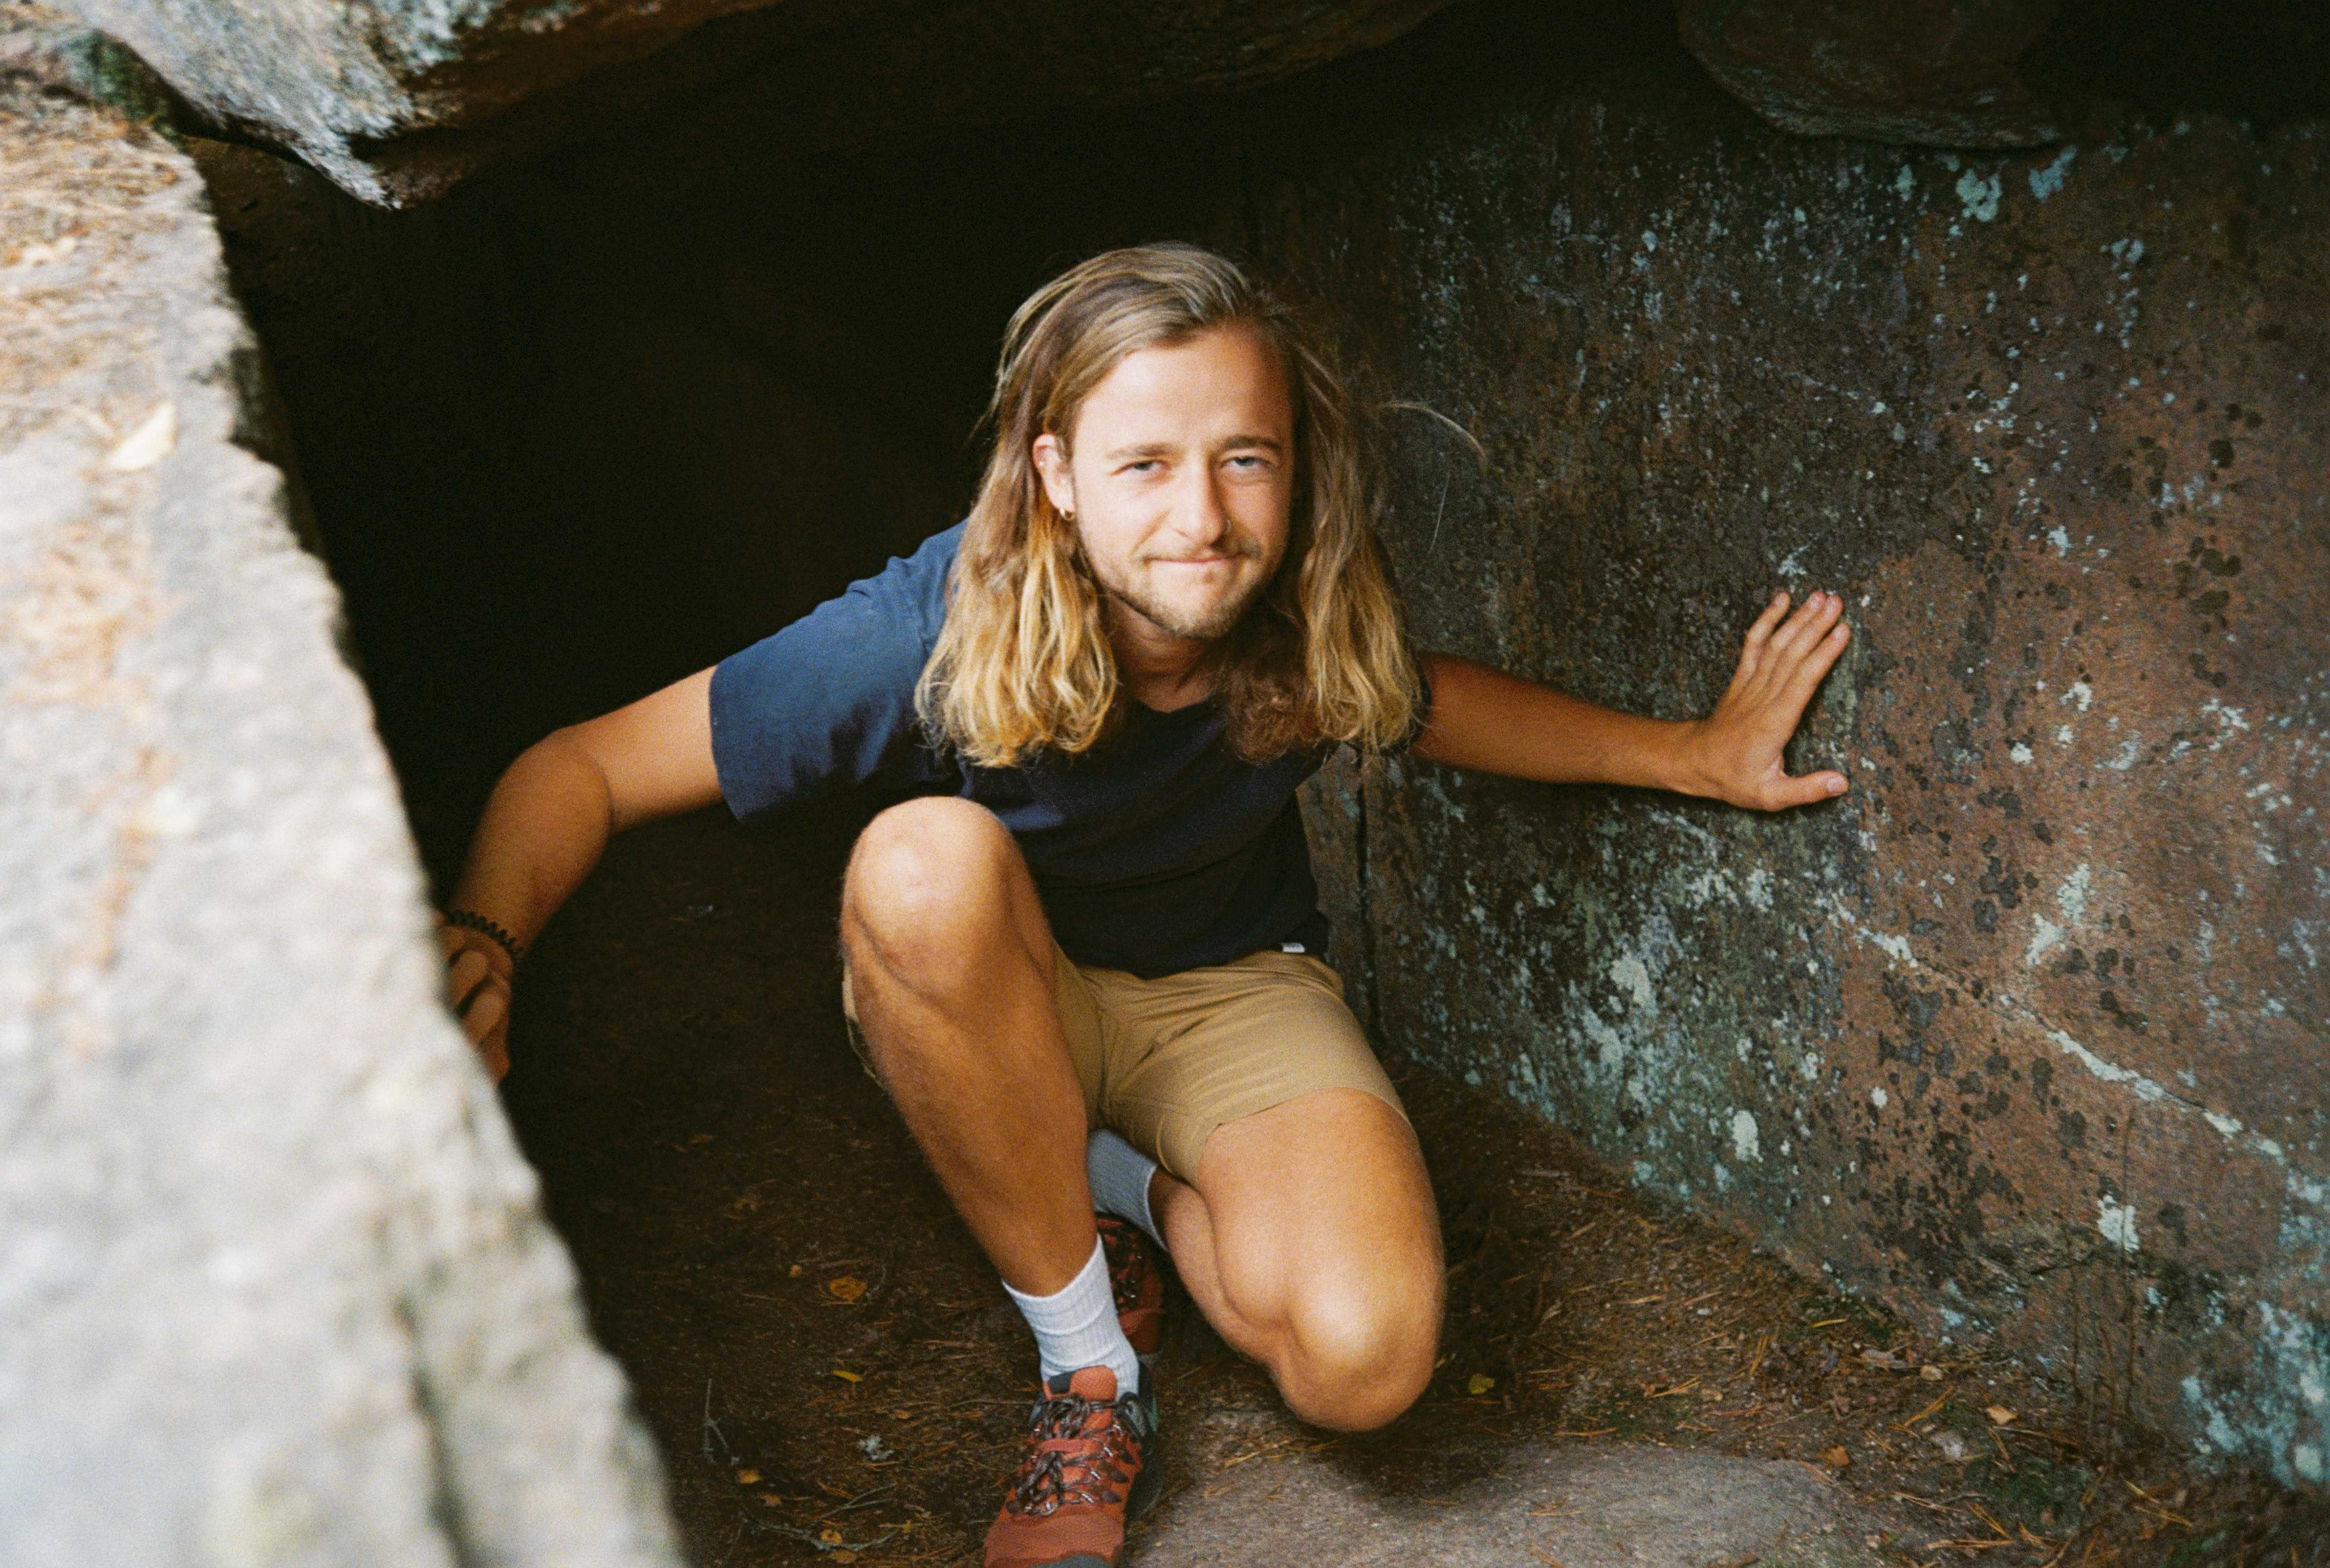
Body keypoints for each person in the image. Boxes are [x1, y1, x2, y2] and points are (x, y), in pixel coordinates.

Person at [437, 244, 1852, 1568]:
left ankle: (1119, 1180)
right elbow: (589, 768)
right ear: (1055, 472)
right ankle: (1088, 1365)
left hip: (1230, 988)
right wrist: (487, 935)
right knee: (920, 860)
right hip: (1000, 990)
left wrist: (1689, 752)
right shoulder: (923, 626)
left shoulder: (1290, 594)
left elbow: (1426, 699)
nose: (1202, 517)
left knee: (1365, 1362)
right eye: (1146, 463)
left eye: (1246, 458)